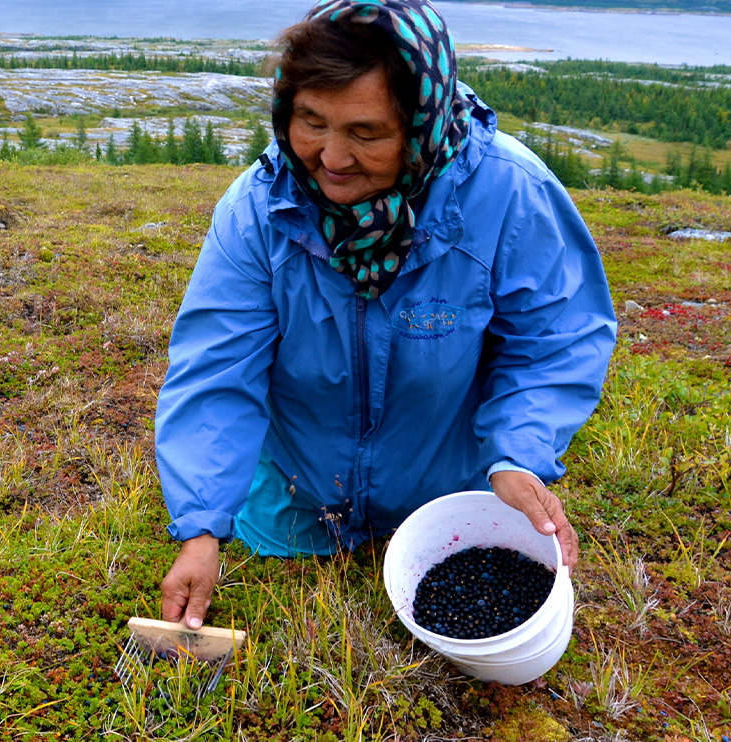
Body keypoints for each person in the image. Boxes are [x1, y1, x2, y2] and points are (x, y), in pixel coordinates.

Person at [154, 0, 617, 629]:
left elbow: (554, 341)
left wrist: (516, 454)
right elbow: (217, 369)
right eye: (310, 122)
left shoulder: (508, 191)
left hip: (449, 496)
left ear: (420, 124)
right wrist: (203, 525)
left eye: (366, 133)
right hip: (296, 499)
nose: (331, 158)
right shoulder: (260, 209)